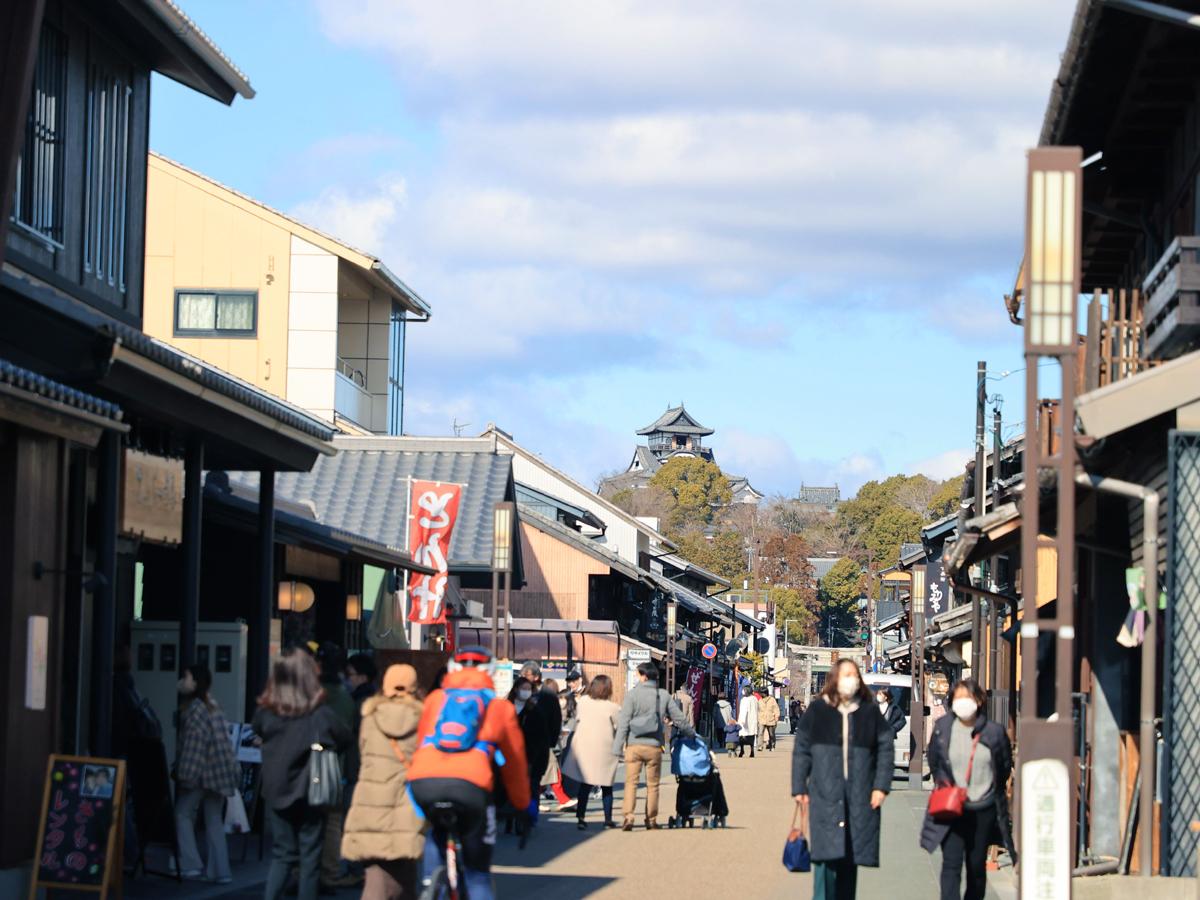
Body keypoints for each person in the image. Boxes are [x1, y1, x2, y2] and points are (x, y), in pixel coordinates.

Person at [408, 646, 531, 900]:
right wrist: (522, 805)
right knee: (477, 875)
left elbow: (420, 744)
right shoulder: (499, 708)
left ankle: (431, 881)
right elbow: (515, 763)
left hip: (424, 782)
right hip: (471, 787)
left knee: (437, 831)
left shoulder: (434, 700)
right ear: (491, 672)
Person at [254, 648, 351, 900]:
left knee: (283, 854)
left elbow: (259, 731)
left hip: (276, 790)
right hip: (312, 790)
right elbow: (344, 737)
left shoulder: (266, 713)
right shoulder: (319, 715)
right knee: (310, 857)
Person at [792, 659, 893, 900]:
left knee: (851, 859)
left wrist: (881, 786)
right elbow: (802, 749)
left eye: (854, 674)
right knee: (825, 861)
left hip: (859, 795)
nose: (851, 679)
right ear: (835, 678)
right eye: (846, 674)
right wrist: (799, 786)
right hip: (824, 794)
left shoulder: (869, 711)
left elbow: (885, 748)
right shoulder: (818, 710)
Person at [920, 678, 1016, 900]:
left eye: (968, 698)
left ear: (979, 701)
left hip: (983, 808)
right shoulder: (943, 727)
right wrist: (944, 785)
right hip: (951, 807)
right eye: (959, 698)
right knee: (951, 865)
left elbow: (1002, 767)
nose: (963, 702)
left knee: (976, 867)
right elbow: (935, 760)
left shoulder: (994, 732)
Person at [342, 664, 425, 900]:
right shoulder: (421, 717)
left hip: (370, 799)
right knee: (403, 873)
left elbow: (363, 752)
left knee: (375, 873)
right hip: (404, 801)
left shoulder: (370, 716)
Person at [172, 663, 238, 884]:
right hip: (221, 772)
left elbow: (194, 747)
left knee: (182, 813)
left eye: (187, 677)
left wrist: (185, 775)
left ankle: (190, 864)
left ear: (196, 683)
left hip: (203, 773)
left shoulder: (195, 710)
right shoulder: (212, 705)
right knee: (213, 820)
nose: (183, 681)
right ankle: (221, 871)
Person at [612, 662, 694, 830]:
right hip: (654, 746)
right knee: (653, 785)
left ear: (644, 676)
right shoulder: (662, 696)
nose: (637, 677)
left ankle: (628, 817)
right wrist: (692, 735)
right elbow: (679, 719)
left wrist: (617, 748)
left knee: (631, 783)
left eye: (638, 674)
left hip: (633, 746)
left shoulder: (632, 695)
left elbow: (624, 723)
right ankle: (651, 819)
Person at [314, 642, 357, 890]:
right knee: (331, 822)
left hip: (309, 762)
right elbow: (345, 734)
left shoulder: (314, 693)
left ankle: (303, 872)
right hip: (333, 763)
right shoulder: (344, 696)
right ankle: (329, 872)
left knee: (309, 821)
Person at [561, 675, 621, 830]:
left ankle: (581, 818)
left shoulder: (584, 703)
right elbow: (619, 726)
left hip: (584, 747)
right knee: (606, 786)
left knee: (585, 785)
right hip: (605, 749)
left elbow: (579, 718)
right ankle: (608, 820)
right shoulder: (613, 707)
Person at [736, 685, 759, 758]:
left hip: (745, 721)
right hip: (753, 720)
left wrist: (741, 721)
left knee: (742, 737)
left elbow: (743, 711)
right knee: (751, 736)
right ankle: (752, 751)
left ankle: (742, 750)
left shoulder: (744, 700)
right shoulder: (754, 699)